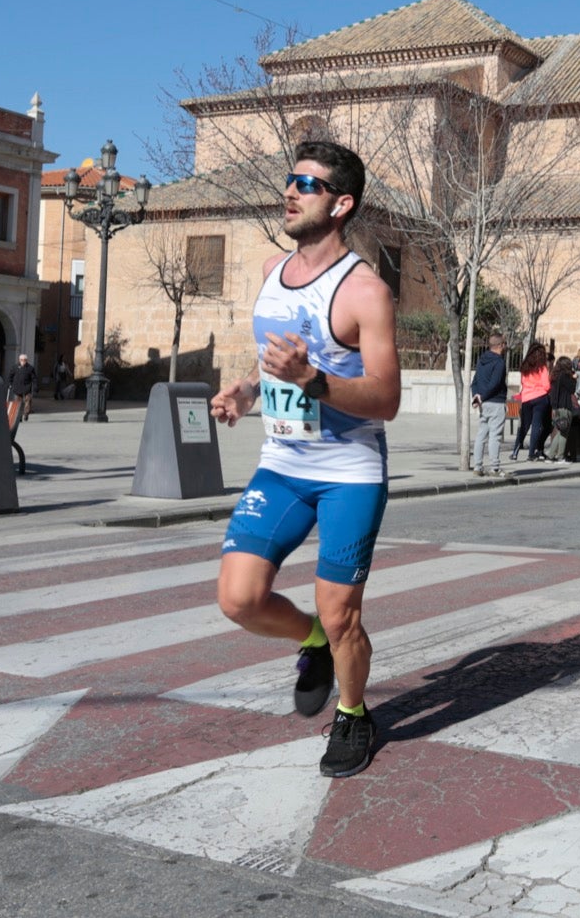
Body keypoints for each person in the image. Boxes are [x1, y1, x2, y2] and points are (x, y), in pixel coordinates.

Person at [208, 141, 400, 778]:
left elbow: (387, 399)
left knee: (343, 611)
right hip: (283, 463)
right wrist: (247, 389)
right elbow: (275, 368)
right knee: (239, 599)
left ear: (341, 204)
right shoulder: (269, 271)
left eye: (306, 185)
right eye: (289, 181)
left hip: (349, 471)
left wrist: (314, 378)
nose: (289, 192)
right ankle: (309, 640)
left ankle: (352, 714)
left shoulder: (365, 290)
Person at [470, 331, 510, 477]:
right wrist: (483, 397)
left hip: (483, 403)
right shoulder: (499, 362)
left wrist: (476, 397)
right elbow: (495, 383)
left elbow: (474, 382)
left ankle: (477, 466)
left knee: (481, 434)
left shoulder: (481, 360)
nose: (505, 347)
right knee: (495, 436)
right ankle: (495, 467)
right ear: (499, 345)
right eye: (504, 344)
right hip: (496, 402)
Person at [511, 342, 552, 462]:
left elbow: (523, 382)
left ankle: (515, 452)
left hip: (526, 398)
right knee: (536, 425)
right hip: (540, 398)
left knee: (524, 425)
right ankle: (531, 453)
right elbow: (546, 385)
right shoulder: (542, 368)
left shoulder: (525, 367)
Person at [6, 353, 38, 423]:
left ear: (27, 360)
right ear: (19, 360)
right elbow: (10, 376)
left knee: (28, 401)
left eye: (24, 360)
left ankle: (26, 414)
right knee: (18, 403)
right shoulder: (15, 367)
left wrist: (35, 388)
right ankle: (19, 416)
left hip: (27, 387)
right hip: (18, 388)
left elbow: (34, 379)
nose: (23, 361)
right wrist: (9, 383)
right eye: (21, 360)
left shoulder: (30, 368)